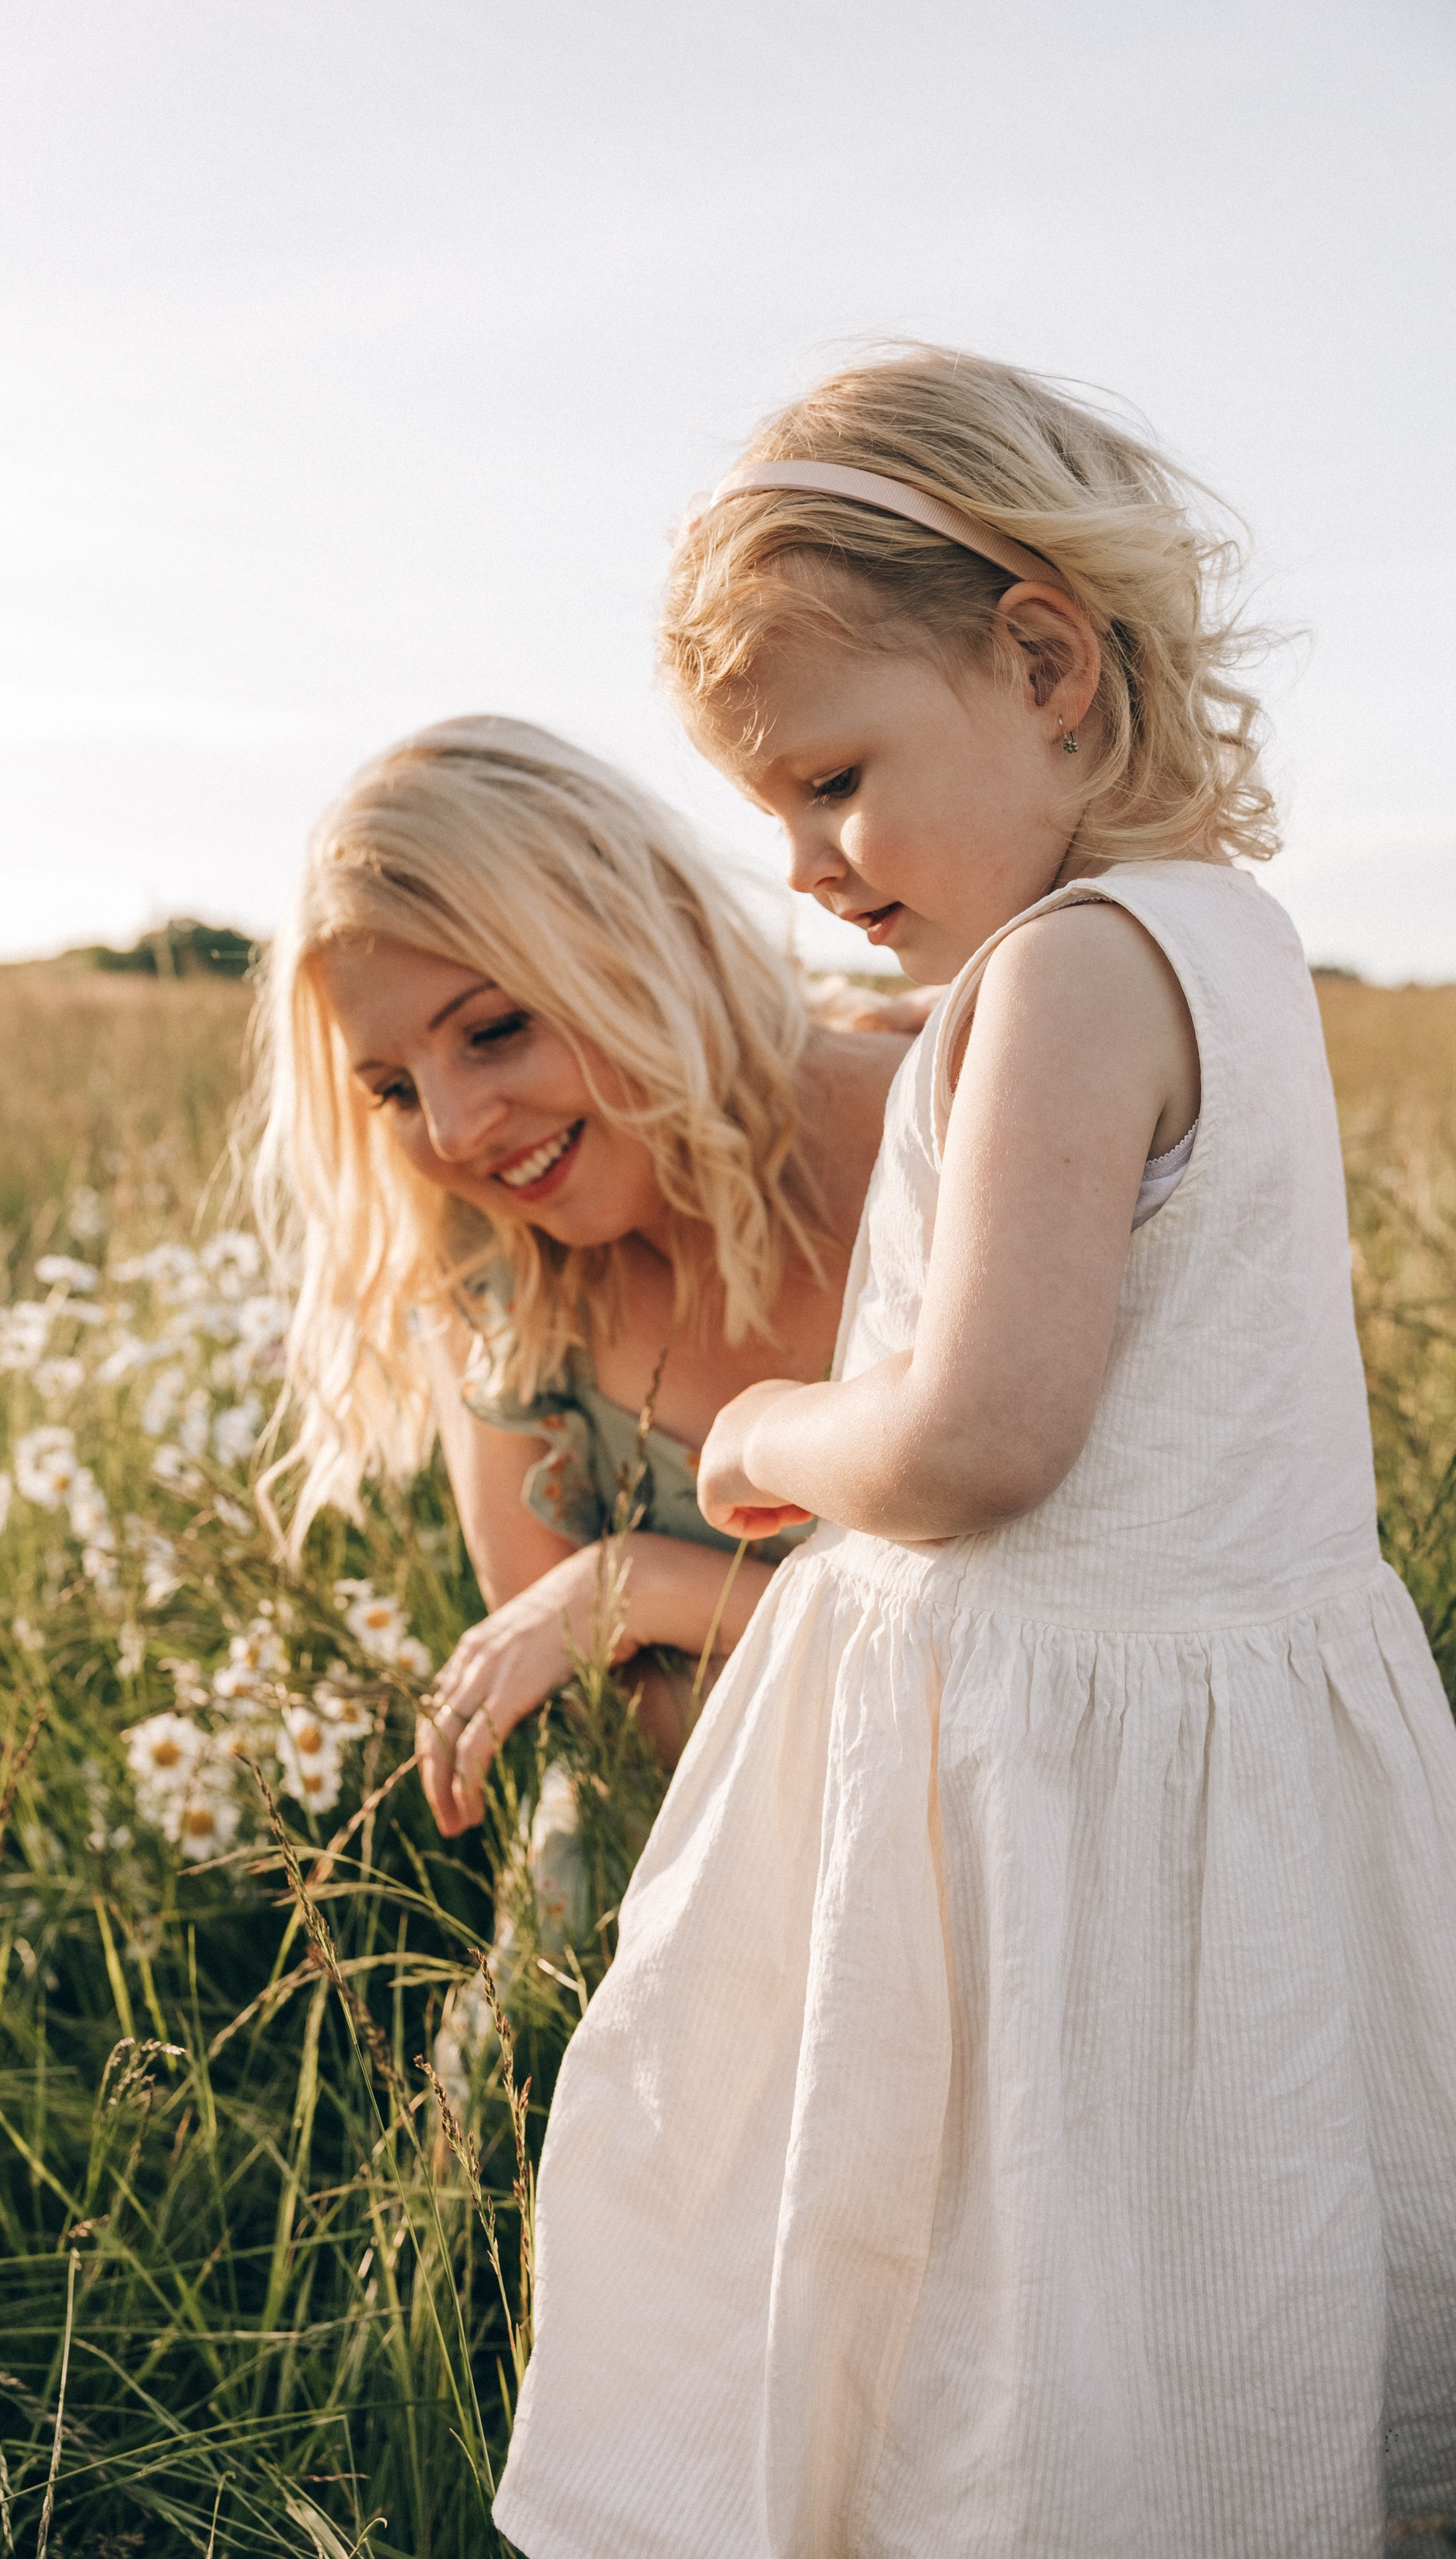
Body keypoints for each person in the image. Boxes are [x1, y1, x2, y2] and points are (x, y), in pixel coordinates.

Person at [493, 347, 1456, 2559]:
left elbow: (985, 1436)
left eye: (830, 779)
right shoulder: (1212, 941)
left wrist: (771, 1426)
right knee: (1204, 2254)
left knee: (1010, 2296)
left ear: (1039, 656)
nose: (810, 863)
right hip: (1217, 1750)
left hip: (1062, 1773)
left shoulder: (1061, 983)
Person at [251, 717, 930, 1840]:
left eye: (495, 1030)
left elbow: (1062, 1643)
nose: (457, 1133)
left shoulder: (939, 1140)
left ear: (634, 945)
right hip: (669, 1878)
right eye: (394, 1092)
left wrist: (645, 1587)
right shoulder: (492, 1284)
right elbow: (604, 1718)